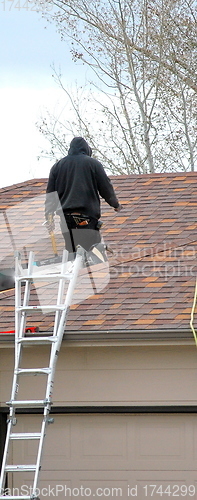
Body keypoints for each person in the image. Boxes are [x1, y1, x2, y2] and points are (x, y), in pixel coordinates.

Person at [45, 136, 122, 256]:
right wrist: (115, 204)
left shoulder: (57, 166)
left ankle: (76, 269)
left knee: (72, 253)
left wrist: (48, 215)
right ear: (86, 150)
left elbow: (51, 196)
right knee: (92, 253)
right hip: (85, 218)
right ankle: (95, 262)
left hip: (65, 219)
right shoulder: (92, 164)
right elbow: (105, 187)